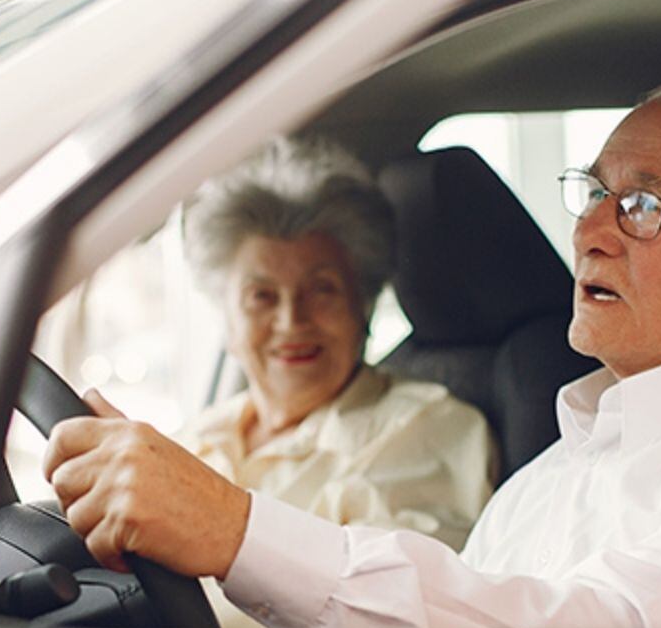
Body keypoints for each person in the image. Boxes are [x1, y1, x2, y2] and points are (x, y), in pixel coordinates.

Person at [45, 75, 661, 628]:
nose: (590, 230)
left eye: (643, 206)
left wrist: (236, 533)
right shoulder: (552, 476)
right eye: (594, 193)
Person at [178, 138, 497, 551]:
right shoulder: (202, 435)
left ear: (362, 305)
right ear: (226, 317)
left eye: (322, 290)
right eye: (262, 296)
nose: (292, 321)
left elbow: (397, 599)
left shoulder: (426, 430)